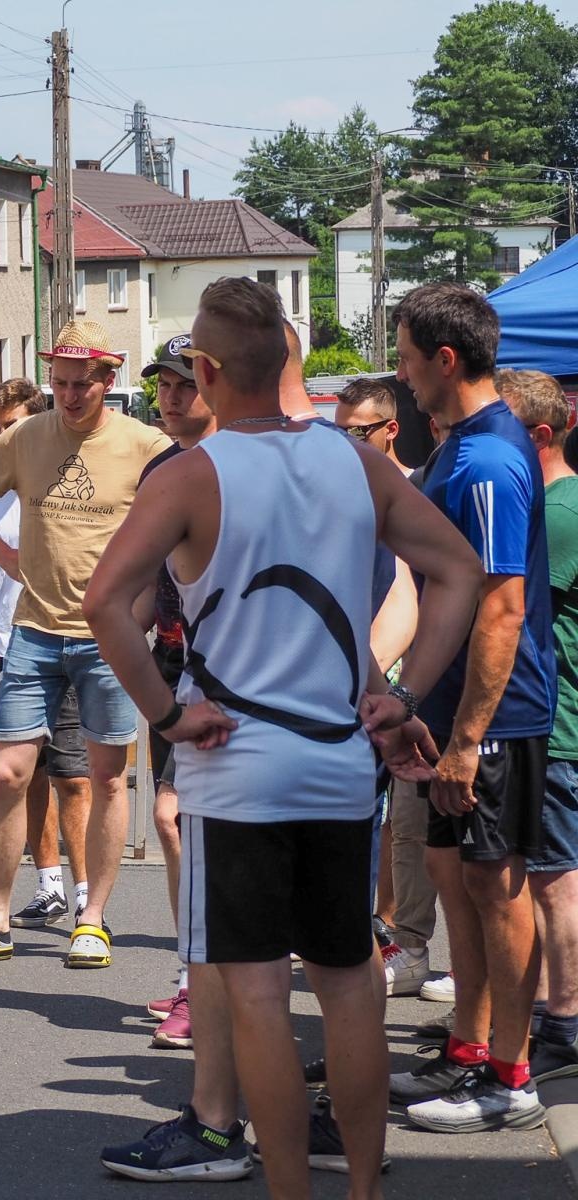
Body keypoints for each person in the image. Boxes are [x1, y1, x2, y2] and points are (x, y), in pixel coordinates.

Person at [85, 277, 482, 1197]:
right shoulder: (360, 461)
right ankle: (365, 1190)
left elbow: (103, 604)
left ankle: (291, 1191)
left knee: (257, 992)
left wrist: (168, 712)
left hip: (236, 767)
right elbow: (456, 573)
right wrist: (402, 692)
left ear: (211, 372)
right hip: (341, 764)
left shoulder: (192, 472)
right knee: (347, 983)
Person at [0, 319, 170, 970]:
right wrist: (3, 554)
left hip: (108, 640)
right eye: (60, 384)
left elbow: (185, 520)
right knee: (5, 773)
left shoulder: (145, 446)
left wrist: (147, 603)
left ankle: (92, 920)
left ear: (109, 379)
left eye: (82, 384)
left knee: (102, 779)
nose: (69, 396)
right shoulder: (26, 437)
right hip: (34, 634)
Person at [389, 282, 556, 1134]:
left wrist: (466, 739)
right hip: (454, 713)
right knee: (457, 879)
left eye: (409, 358)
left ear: (445, 360)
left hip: (496, 718)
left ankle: (512, 1077)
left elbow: (502, 607)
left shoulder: (488, 459)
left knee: (496, 887)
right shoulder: (463, 445)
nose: (402, 375)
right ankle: (469, 1049)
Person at [0, 378, 89, 949]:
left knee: (75, 776)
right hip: (6, 651)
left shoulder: (60, 480)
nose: (2, 438)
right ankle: (47, 881)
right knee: (19, 775)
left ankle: (87, 902)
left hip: (69, 641)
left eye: (13, 427)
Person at [335, 377, 436, 1000]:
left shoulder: (416, 487)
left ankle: (395, 936)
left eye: (360, 431)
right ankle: (383, 933)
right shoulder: (344, 492)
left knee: (407, 820)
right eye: (339, 429)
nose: (348, 441)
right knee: (384, 821)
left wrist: (390, 684)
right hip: (365, 679)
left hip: (404, 678)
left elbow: (423, 588)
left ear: (390, 429)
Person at [134, 335, 218, 1050]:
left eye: (184, 383)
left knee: (181, 820)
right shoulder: (163, 466)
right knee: (174, 821)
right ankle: (196, 969)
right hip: (169, 664)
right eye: (162, 383)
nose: (170, 394)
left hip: (227, 672)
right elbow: (142, 578)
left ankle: (210, 982)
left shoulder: (235, 465)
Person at [498, 368, 578, 1085]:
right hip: (552, 721)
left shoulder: (557, 512)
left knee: (555, 878)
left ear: (541, 437)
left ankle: (565, 1021)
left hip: (557, 724)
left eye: (507, 425)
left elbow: (512, 611)